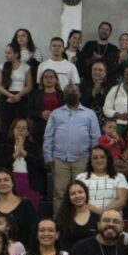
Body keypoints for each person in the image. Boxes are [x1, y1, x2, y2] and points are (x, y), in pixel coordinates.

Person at [45, 83, 101, 211]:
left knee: (81, 193)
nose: (71, 96)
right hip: (59, 159)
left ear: (79, 95)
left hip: (82, 159)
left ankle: (80, 220)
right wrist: (48, 158)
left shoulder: (89, 114)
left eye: (74, 93)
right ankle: (60, 223)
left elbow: (95, 138)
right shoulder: (56, 114)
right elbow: (48, 137)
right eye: (68, 94)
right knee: (60, 193)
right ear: (64, 96)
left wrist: (94, 160)